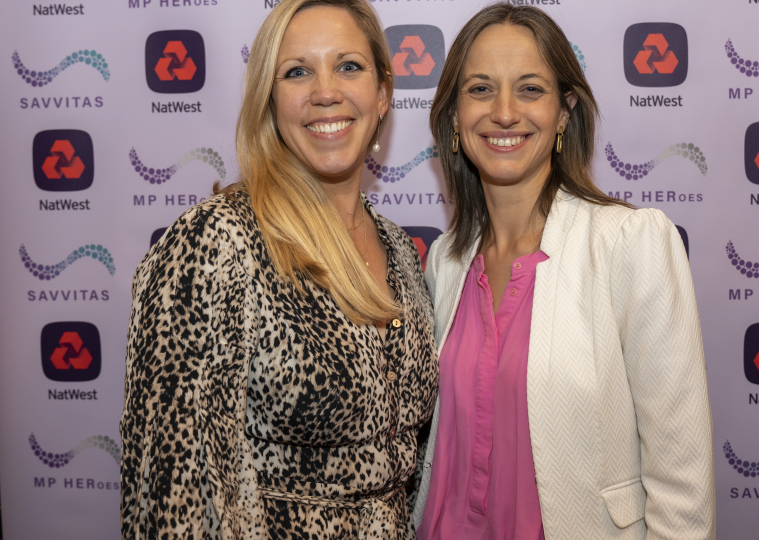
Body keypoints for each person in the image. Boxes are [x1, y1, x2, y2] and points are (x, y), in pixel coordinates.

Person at [120, 1, 438, 538]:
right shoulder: (217, 242)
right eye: (297, 72)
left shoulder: (400, 252)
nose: (325, 92)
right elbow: (171, 496)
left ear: (383, 93)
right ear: (271, 100)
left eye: (348, 66)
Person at [413, 4, 715, 540]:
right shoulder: (446, 262)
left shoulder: (630, 243)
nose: (505, 112)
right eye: (480, 89)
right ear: (454, 117)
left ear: (564, 113)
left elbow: (683, 484)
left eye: (530, 89)